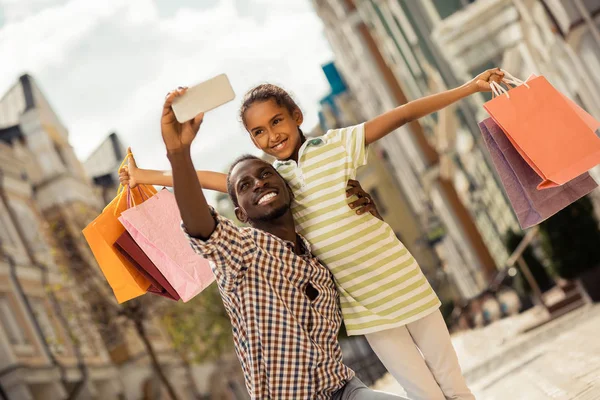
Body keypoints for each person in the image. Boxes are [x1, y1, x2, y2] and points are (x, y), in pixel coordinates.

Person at [123, 69, 503, 399]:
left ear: (296, 116)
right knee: (423, 394)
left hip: (404, 281)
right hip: (363, 307)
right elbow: (205, 180)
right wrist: (145, 176)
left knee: (454, 387)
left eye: (276, 122)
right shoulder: (272, 179)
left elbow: (401, 115)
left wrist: (468, 88)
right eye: (258, 131)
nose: (271, 136)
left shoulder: (336, 145)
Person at [160, 89, 407, 399]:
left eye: (265, 174)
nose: (259, 182)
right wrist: (178, 153)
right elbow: (202, 227)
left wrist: (366, 210)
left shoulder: (316, 257)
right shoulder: (242, 252)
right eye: (245, 186)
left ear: (288, 188)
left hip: (345, 389)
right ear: (241, 214)